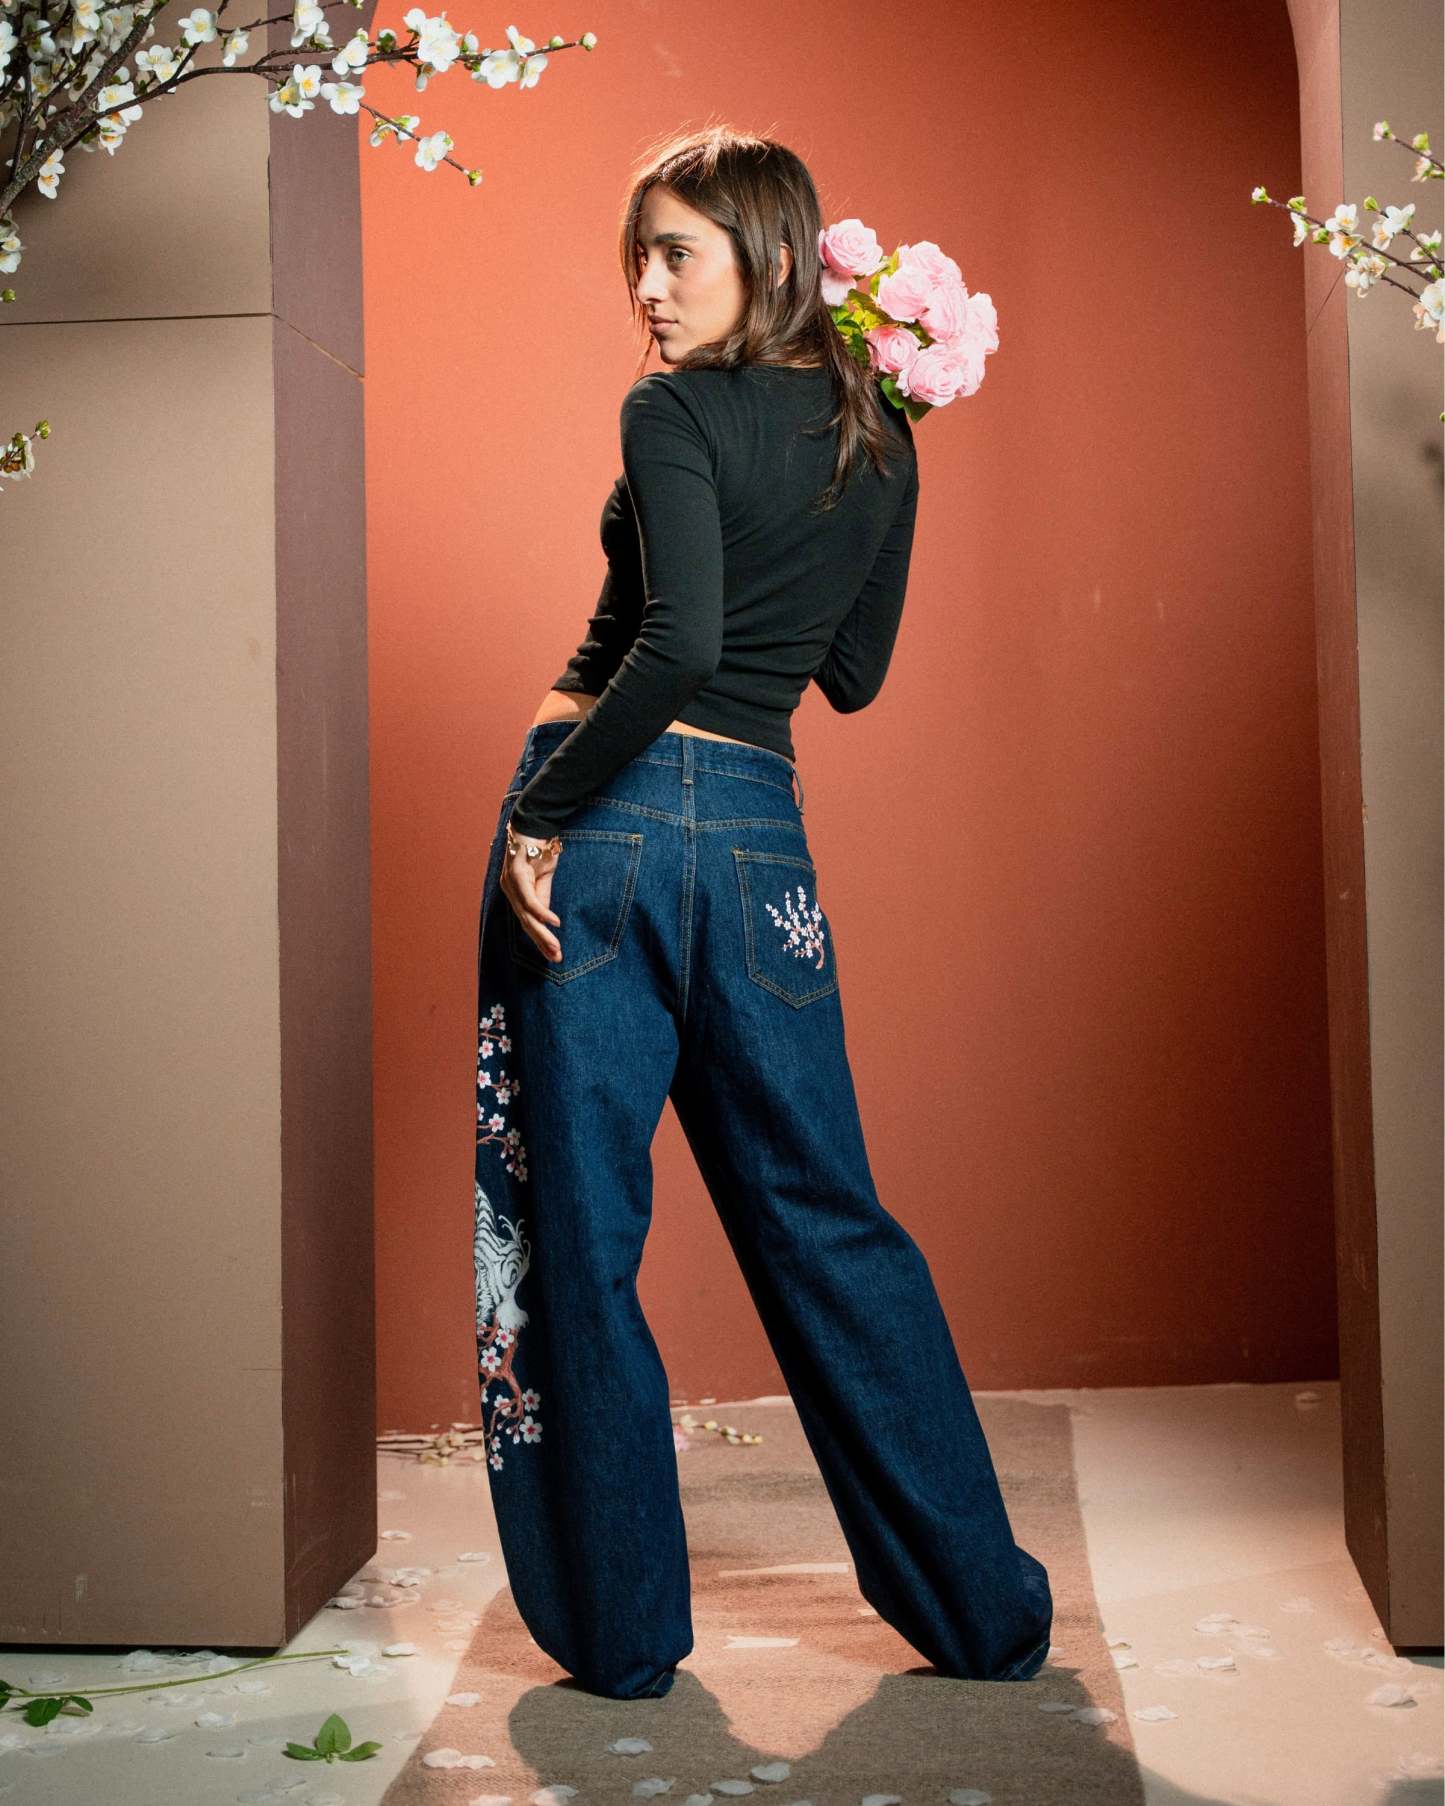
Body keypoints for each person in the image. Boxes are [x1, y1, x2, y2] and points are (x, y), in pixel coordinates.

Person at [472, 125, 1053, 1701]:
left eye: (678, 253)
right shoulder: (886, 436)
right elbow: (847, 676)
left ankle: (620, 1636)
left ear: (772, 255)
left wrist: (540, 814)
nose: (648, 290)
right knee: (823, 1216)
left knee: (578, 1222)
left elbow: (669, 646)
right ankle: (983, 1614)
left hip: (597, 821)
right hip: (756, 841)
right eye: (638, 259)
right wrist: (834, 507)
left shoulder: (667, 409)